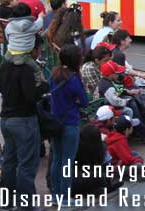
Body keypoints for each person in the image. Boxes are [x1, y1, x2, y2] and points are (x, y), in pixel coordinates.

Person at [0, 35, 47, 202]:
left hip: (6, 119)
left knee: (9, 162)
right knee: (26, 164)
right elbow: (30, 96)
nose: (40, 52)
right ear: (31, 49)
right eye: (39, 49)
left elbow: (3, 90)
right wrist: (43, 87)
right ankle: (26, 203)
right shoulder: (26, 69)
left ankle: (7, 200)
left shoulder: (5, 64)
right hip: (23, 120)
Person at [49, 45, 89, 202]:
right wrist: (76, 103)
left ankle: (55, 194)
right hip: (70, 123)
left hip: (55, 121)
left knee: (57, 158)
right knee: (68, 160)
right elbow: (84, 102)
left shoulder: (54, 75)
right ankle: (65, 196)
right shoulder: (73, 79)